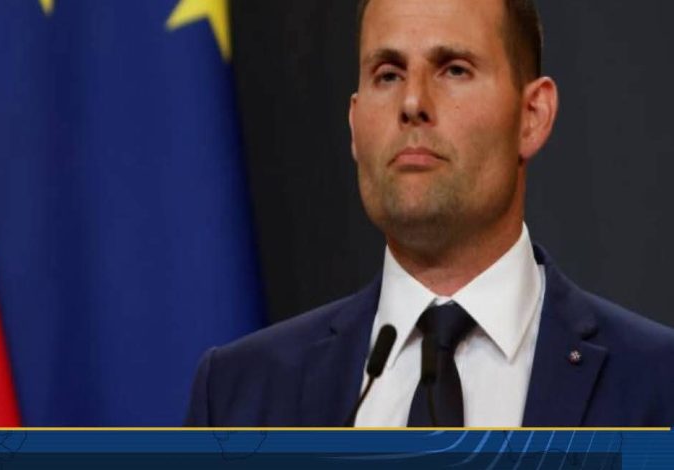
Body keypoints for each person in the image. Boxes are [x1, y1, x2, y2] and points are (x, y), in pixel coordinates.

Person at [185, 0, 674, 427]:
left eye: (454, 69)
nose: (412, 102)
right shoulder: (237, 395)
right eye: (388, 75)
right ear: (354, 124)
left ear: (532, 116)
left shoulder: (657, 383)